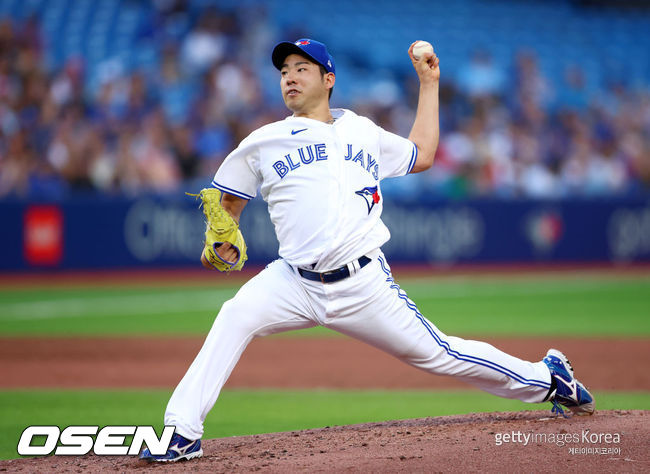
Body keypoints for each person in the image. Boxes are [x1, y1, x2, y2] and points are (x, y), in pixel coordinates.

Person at [140, 38, 594, 462]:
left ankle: (546, 377)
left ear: (328, 79)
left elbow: (423, 153)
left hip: (363, 283)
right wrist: (221, 238)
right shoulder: (263, 142)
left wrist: (429, 84)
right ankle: (182, 432)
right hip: (292, 281)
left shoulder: (362, 130)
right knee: (234, 316)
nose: (290, 77)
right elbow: (228, 201)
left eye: (302, 68)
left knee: (439, 354)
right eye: (284, 72)